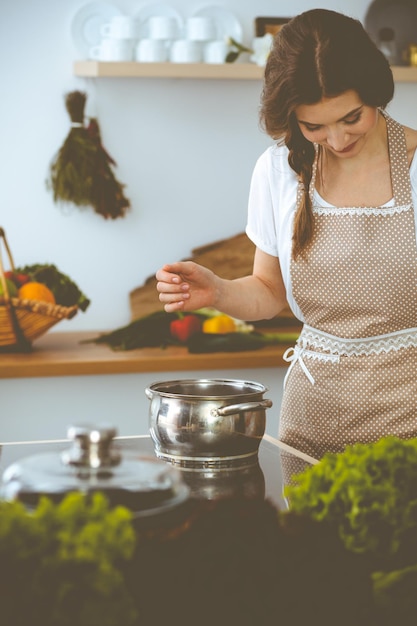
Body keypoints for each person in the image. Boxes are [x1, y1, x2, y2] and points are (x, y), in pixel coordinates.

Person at [156, 9, 417, 482]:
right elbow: (269, 292)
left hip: (410, 415)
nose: (336, 139)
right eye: (313, 127)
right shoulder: (279, 169)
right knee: (310, 553)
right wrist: (217, 292)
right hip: (312, 416)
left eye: (351, 118)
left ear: (375, 92)